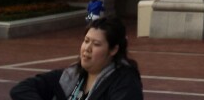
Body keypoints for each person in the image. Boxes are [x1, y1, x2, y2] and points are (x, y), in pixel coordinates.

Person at [10, 17, 142, 100]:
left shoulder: (125, 81)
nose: (87, 48)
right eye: (86, 41)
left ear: (113, 50)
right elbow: (21, 90)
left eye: (96, 44)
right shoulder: (71, 76)